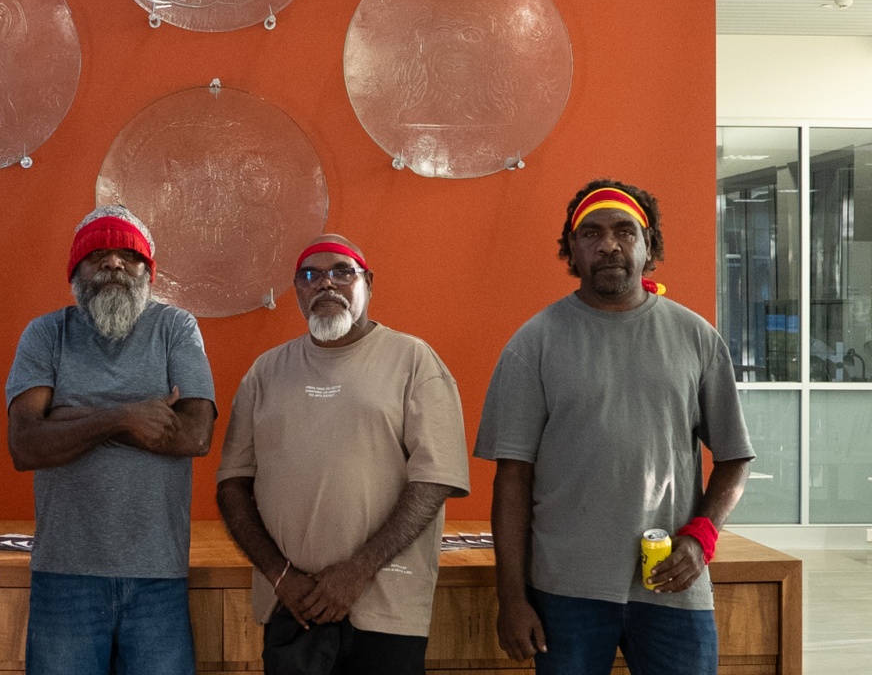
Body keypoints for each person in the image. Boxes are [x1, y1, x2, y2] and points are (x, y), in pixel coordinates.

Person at [474, 179, 755, 675]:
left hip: (672, 585)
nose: (608, 245)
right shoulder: (533, 344)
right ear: (572, 251)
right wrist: (512, 599)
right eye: (591, 233)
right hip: (564, 593)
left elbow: (734, 458)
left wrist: (701, 537)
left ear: (649, 248)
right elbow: (511, 480)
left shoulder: (696, 339)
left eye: (625, 231)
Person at [216, 234, 470, 675]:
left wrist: (358, 571)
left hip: (385, 608)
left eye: (341, 272)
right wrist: (281, 577)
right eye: (310, 276)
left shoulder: (413, 359)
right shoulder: (265, 372)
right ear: (296, 290)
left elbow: (435, 478)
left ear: (367, 282)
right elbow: (232, 484)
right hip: (291, 608)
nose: (325, 284)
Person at [5, 204, 216, 675]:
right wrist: (126, 417)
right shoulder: (46, 334)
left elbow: (196, 435)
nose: (114, 262)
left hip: (159, 576)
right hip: (65, 576)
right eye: (97, 253)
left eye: (129, 255)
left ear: (147, 271)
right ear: (75, 270)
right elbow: (25, 446)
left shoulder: (176, 328)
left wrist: (68, 417)